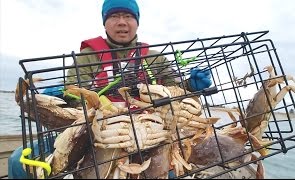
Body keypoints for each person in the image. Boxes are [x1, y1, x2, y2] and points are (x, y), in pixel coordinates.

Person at [8, 0, 212, 179]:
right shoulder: (87, 57)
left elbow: (175, 92)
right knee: (19, 161)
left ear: (137, 22)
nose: (121, 22)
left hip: (152, 133)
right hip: (96, 134)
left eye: (128, 16)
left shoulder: (154, 57)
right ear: (105, 22)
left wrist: (190, 86)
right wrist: (65, 96)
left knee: (170, 171)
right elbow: (74, 98)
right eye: (114, 16)